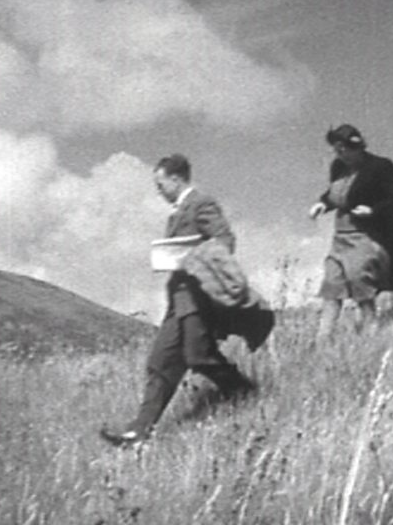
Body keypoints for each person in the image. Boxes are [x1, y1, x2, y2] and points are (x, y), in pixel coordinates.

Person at [101, 154, 269, 446]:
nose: (159, 190)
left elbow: (225, 240)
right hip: (178, 301)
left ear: (176, 179)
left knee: (197, 355)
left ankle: (242, 390)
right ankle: (138, 431)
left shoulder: (201, 204)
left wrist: (195, 256)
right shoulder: (177, 213)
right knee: (159, 362)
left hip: (198, 298)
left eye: (160, 183)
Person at [308, 124, 393, 339]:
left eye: (344, 149)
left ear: (357, 146)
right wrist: (323, 204)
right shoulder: (338, 167)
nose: (340, 154)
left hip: (366, 236)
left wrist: (372, 210)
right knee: (332, 285)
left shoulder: (380, 166)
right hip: (340, 236)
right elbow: (337, 193)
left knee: (360, 283)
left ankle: (371, 331)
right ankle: (322, 339)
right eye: (337, 150)